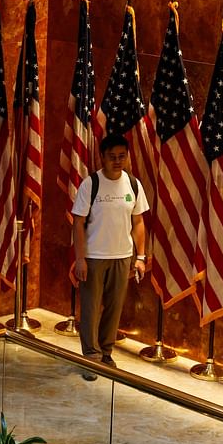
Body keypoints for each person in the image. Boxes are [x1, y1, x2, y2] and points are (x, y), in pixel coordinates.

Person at [71, 133, 149, 381]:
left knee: (113, 309)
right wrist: (81, 259)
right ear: (102, 157)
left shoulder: (133, 185)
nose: (117, 161)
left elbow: (138, 221)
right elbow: (78, 223)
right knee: (91, 309)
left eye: (122, 156)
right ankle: (90, 357)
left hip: (123, 256)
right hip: (94, 256)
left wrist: (141, 256)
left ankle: (105, 352)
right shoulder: (91, 184)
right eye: (112, 157)